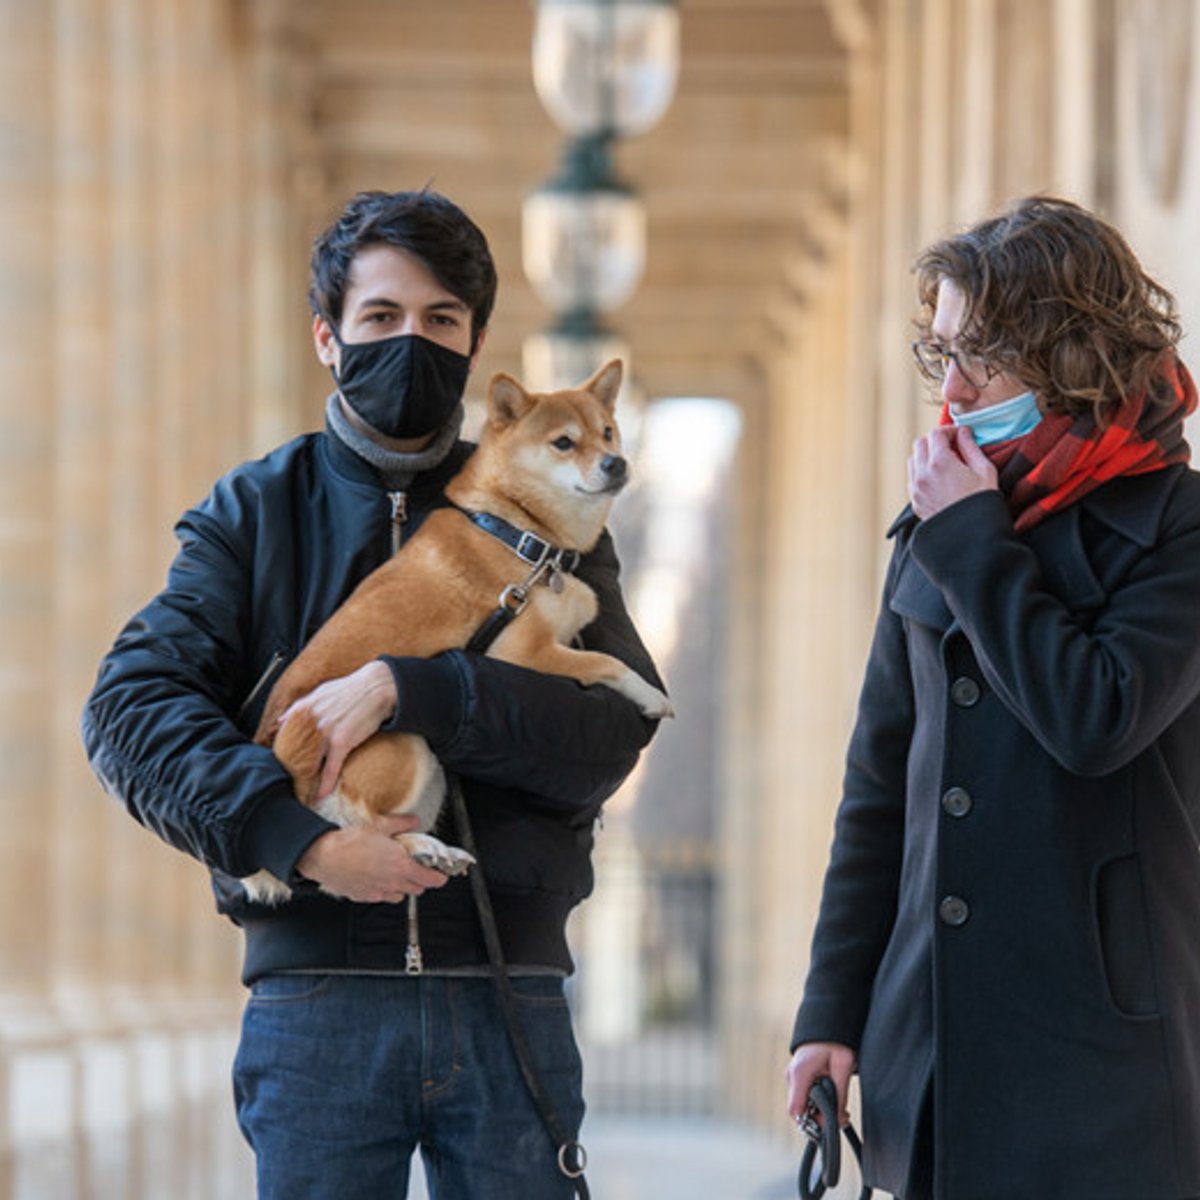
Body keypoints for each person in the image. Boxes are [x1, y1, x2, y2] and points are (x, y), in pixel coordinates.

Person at [82, 188, 663, 1199]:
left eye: (441, 321)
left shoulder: (556, 519)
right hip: (316, 1008)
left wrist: (422, 690)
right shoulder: (255, 514)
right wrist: (298, 839)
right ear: (327, 335)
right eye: (381, 318)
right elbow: (129, 713)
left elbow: (611, 733)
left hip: (508, 992)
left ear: (478, 345)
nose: (413, 343)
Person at [785, 196, 1200, 1200]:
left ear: (1069, 352)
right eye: (943, 354)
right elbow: (877, 790)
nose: (956, 389)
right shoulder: (938, 518)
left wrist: (975, 542)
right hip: (929, 1049)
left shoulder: (1175, 525)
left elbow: (1094, 719)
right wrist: (828, 1014)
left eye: (983, 356)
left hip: (1101, 1061)